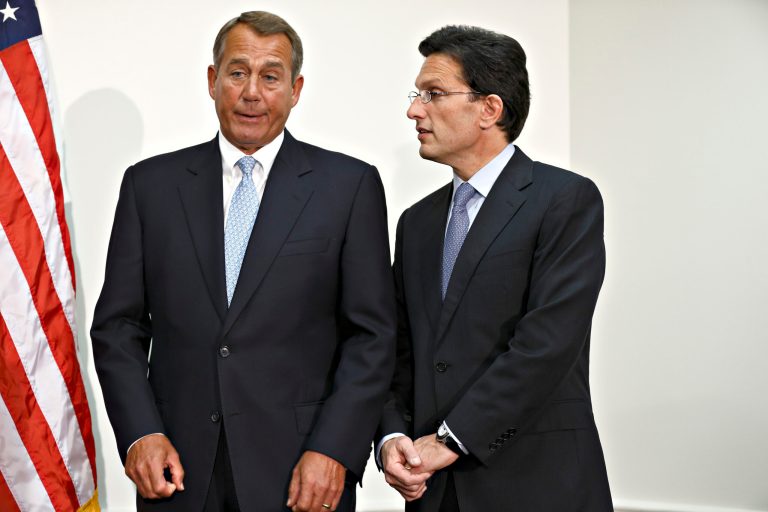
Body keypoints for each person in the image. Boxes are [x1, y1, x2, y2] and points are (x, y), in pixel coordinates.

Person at [91, 11, 395, 512]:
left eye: (270, 76)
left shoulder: (349, 187)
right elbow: (118, 327)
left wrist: (334, 449)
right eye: (237, 73)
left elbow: (373, 335)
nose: (252, 92)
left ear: (295, 89)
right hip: (177, 472)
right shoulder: (150, 186)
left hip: (302, 474)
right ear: (212, 81)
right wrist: (139, 434)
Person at [377, 25, 613, 511]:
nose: (414, 109)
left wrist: (450, 441)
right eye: (416, 94)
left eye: (433, 94)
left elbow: (546, 344)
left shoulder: (564, 200)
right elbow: (398, 349)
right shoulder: (416, 223)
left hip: (538, 485)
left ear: (490, 108)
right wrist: (392, 436)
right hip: (434, 492)